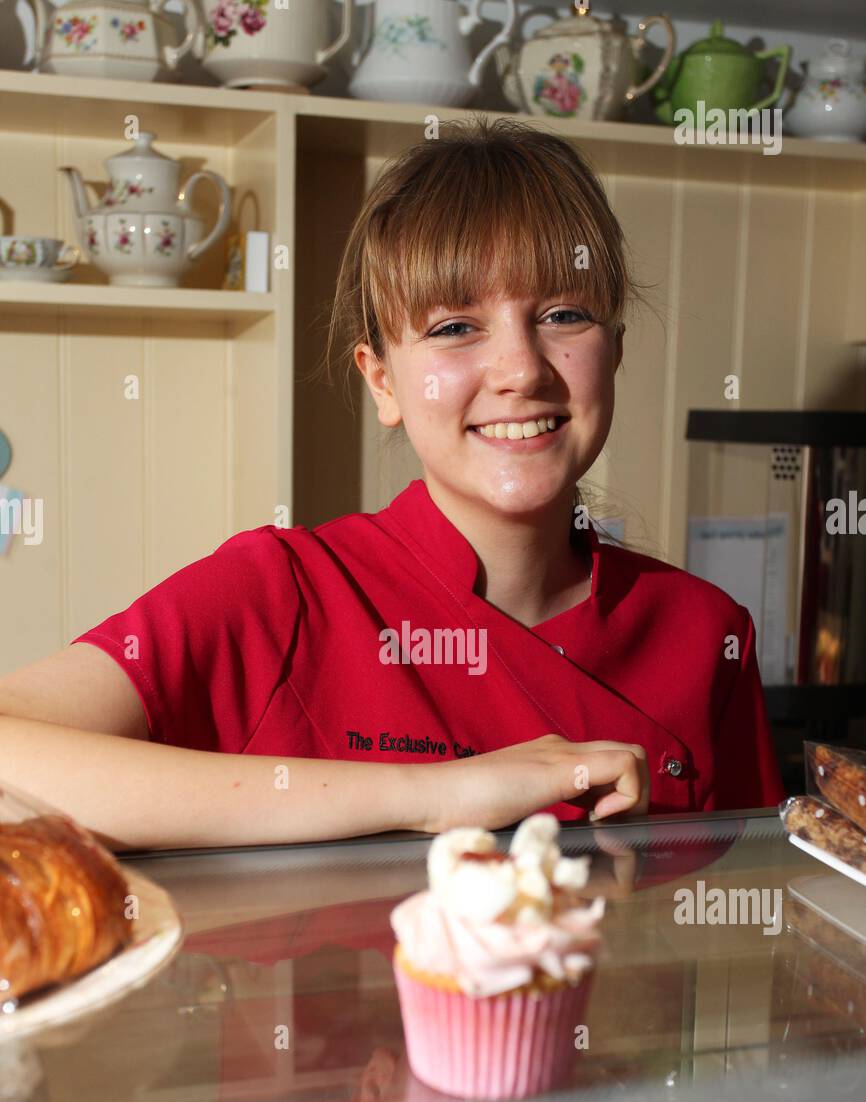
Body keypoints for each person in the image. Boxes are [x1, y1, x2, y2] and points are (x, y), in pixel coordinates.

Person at [0, 117, 783, 852]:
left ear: (614, 351)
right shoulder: (281, 596)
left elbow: (742, 954)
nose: (521, 369)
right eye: (454, 328)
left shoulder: (707, 633)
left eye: (564, 314)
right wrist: (433, 796)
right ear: (382, 383)